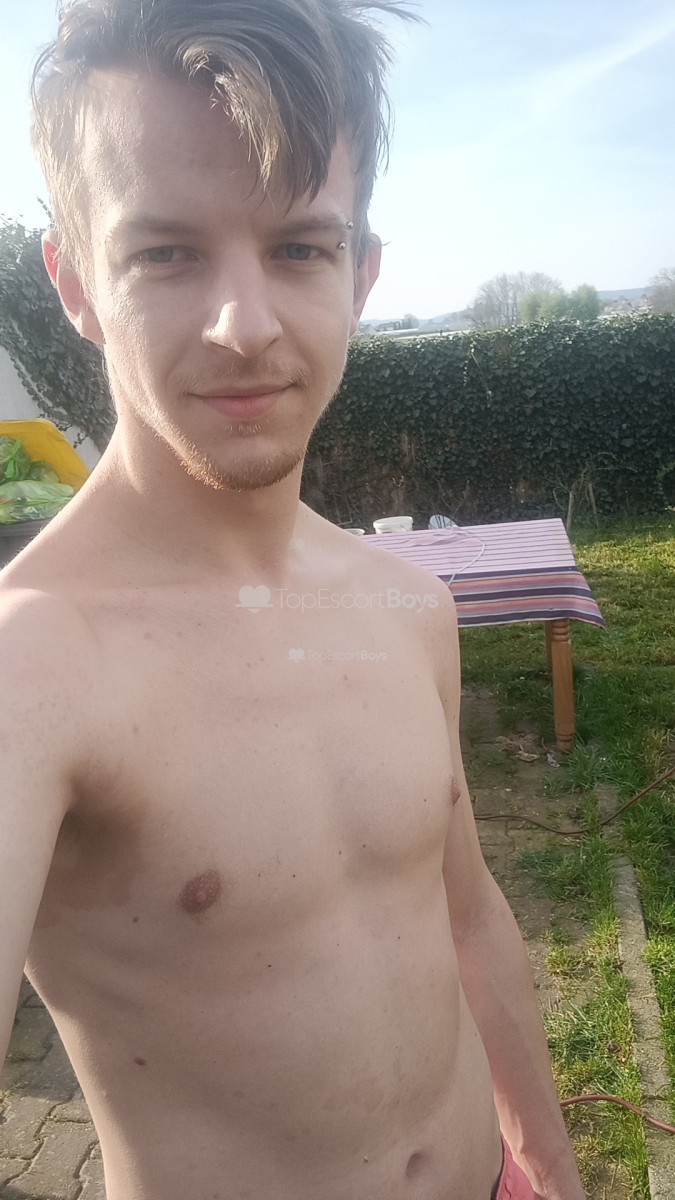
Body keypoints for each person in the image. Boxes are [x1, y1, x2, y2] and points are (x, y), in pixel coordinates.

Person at [0, 1, 586, 1197]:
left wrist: (550, 1166)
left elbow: (469, 921)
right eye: (165, 253)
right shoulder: (36, 665)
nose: (246, 324)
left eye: (300, 248)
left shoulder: (407, 605)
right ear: (77, 282)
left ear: (361, 274)